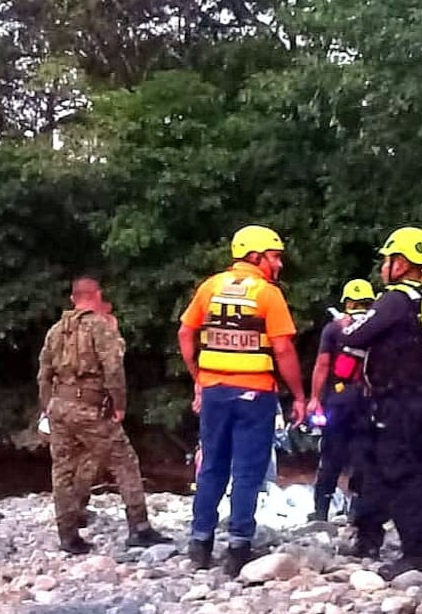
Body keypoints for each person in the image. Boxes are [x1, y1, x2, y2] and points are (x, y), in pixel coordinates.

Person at [178, 225, 306, 577]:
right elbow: (282, 348)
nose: (278, 264)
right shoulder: (268, 294)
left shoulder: (210, 287)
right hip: (256, 395)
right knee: (247, 471)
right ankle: (237, 546)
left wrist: (198, 377)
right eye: (274, 257)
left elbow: (185, 332)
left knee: (212, 467)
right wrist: (299, 395)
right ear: (255, 256)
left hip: (216, 389)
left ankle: (200, 543)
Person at [341, 227, 422, 580]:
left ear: (401, 263)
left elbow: (355, 337)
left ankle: (415, 553)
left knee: (400, 472)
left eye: (387, 260)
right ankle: (414, 544)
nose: (384, 267)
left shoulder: (395, 299)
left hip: (398, 400)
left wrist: (351, 323)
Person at [37, 278, 171, 554]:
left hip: (59, 406)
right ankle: (139, 527)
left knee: (62, 470)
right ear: (97, 296)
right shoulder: (100, 325)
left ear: (74, 299)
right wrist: (119, 404)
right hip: (89, 406)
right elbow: (113, 368)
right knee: (124, 461)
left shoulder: (55, 331)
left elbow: (43, 375)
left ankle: (68, 535)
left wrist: (47, 408)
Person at [307, 279, 375, 522]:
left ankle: (320, 511)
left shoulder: (334, 329)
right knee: (364, 455)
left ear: (347, 301)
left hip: (338, 398)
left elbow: (323, 364)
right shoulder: (378, 327)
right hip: (369, 398)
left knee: (331, 455)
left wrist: (314, 398)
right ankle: (358, 510)